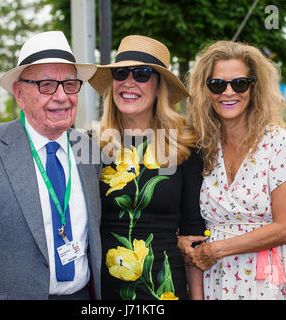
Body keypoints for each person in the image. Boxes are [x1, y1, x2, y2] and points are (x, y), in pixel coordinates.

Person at [0, 31, 102, 300]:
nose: (61, 96)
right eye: (47, 84)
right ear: (20, 94)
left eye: (70, 84)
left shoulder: (89, 150)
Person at [180, 40, 286, 300]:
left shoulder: (278, 144)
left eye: (239, 83)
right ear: (206, 91)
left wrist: (218, 249)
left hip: (263, 280)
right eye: (217, 85)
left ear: (254, 88)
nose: (228, 92)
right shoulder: (204, 146)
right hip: (213, 279)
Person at [89, 35, 207, 300]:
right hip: (104, 292)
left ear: (159, 87)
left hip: (165, 290)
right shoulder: (90, 145)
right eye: (120, 73)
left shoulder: (186, 145)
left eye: (142, 74)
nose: (128, 82)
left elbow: (193, 232)